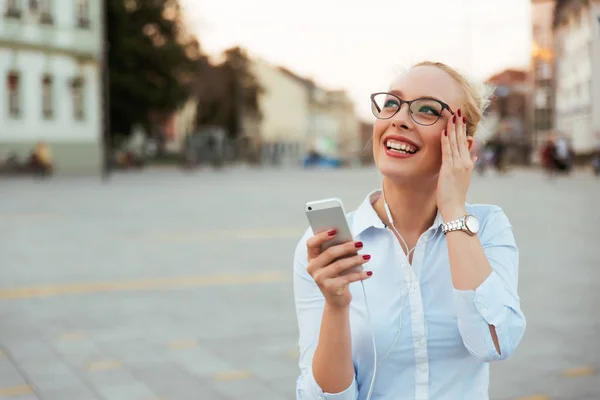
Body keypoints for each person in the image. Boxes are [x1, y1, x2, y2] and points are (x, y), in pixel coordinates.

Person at [293, 61, 526, 400]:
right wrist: (336, 305)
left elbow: (494, 343)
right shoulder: (328, 247)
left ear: (463, 143)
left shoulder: (488, 228)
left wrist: (454, 211)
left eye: (427, 110)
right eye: (391, 103)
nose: (399, 118)